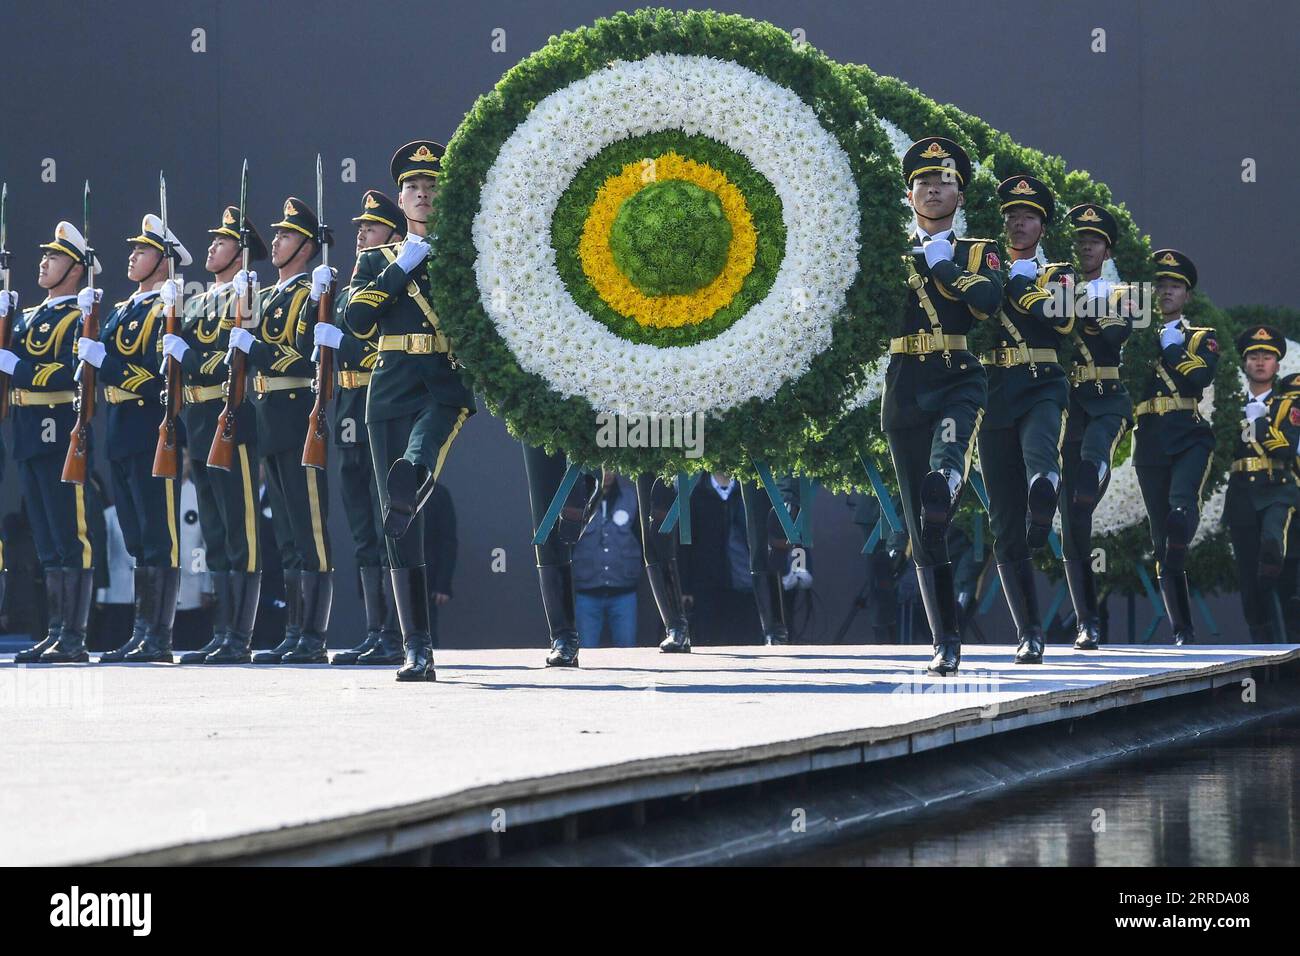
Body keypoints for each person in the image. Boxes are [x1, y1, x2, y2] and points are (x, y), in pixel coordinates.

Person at [342, 141, 475, 681]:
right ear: (401, 199)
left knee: (414, 467)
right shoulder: (376, 258)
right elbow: (357, 320)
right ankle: (415, 647)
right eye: (414, 188)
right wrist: (402, 267)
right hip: (389, 386)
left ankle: (413, 476)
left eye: (431, 188)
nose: (422, 195)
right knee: (399, 526)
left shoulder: (466, 254)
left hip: (442, 384)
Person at [885, 137, 1002, 675]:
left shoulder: (977, 251)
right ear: (910, 195)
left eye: (946, 181)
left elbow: (987, 303)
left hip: (956, 376)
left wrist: (942, 264)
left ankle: (949, 478)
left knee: (944, 466)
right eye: (924, 182)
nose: (934, 189)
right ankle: (945, 641)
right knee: (921, 521)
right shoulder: (885, 251)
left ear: (960, 194)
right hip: (905, 383)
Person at [77, 214, 188, 663]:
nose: (132, 256)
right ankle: (143, 631)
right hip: (120, 430)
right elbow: (91, 358)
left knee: (159, 536)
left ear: (163, 262)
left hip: (151, 428)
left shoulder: (167, 308)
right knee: (136, 537)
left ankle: (158, 637)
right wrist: (87, 323)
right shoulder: (123, 309)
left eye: (142, 251)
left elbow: (155, 375)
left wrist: (105, 361)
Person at [228, 197, 333, 664]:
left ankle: (313, 635)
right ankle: (293, 631)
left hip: (297, 415)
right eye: (276, 235)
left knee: (310, 530)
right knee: (287, 534)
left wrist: (258, 349)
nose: (276, 241)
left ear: (307, 246)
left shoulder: (312, 292)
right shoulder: (267, 296)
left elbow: (307, 356)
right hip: (269, 418)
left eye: (287, 235)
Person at [978, 175, 1073, 664]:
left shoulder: (1057, 272)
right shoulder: (982, 266)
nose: (1018, 223)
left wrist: (1017, 284)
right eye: (1012, 216)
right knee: (1002, 520)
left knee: (1041, 455)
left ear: (1042, 226)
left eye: (1028, 217)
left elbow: (1061, 317)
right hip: (995, 393)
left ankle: (1045, 491)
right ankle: (1029, 632)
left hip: (1041, 381)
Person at [171, 205, 266, 664]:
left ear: (241, 252)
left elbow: (230, 361)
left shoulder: (246, 295)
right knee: (212, 530)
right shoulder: (196, 303)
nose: (211, 247)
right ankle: (222, 631)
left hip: (232, 419)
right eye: (213, 241)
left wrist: (187, 357)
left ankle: (239, 637)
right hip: (199, 419)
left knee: (239, 530)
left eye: (223, 242)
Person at [0, 222, 98, 662]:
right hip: (26, 430)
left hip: (59, 429)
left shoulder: (79, 316)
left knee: (68, 532)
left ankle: (73, 636)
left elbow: (70, 374)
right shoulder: (28, 316)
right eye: (44, 256)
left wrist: (18, 368)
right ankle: (55, 629)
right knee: (45, 537)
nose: (43, 262)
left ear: (75, 268)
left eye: (54, 257)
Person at [324, 190, 404, 666]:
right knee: (361, 529)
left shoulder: (394, 280)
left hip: (380, 398)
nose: (361, 234)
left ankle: (396, 631)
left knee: (384, 519)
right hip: (349, 406)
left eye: (371, 227)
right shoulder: (352, 285)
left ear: (393, 235)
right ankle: (376, 630)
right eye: (360, 227)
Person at [1133, 249, 1219, 645]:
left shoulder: (1201, 338)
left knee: (1181, 508)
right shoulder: (1134, 338)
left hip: (1188, 435)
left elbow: (1198, 377)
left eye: (1175, 286)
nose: (1167, 292)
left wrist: (1171, 347)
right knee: (1161, 539)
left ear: (1187, 295)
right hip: (1149, 440)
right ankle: (1182, 628)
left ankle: (1184, 520)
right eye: (1160, 285)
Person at [1059, 203, 1133, 649]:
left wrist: (1072, 305)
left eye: (1094, 240)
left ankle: (1096, 469)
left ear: (1106, 249)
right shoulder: (1056, 284)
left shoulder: (1126, 293)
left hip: (1107, 397)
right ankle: (1088, 621)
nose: (1085, 246)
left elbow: (1113, 335)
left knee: (1094, 455)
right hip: (1069, 403)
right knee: (1073, 521)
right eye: (1080, 240)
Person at [1225, 325, 1299, 642]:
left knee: (1274, 545)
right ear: (1244, 363)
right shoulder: (1229, 404)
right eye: (1253, 355)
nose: (1259, 362)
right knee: (1248, 578)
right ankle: (1263, 651)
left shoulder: (1288, 404)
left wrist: (1259, 421)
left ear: (1277, 365)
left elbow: (1285, 447)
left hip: (1277, 488)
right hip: (1241, 493)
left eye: (1267, 357)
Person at [680, 472, 762, 646]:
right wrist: (685, 588)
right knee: (708, 642)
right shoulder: (695, 493)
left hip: (743, 582)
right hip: (706, 583)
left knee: (745, 641)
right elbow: (685, 545)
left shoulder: (746, 491)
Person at [572, 472, 640, 648]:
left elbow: (643, 541)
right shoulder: (579, 499)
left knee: (627, 652)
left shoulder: (631, 498)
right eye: (600, 466)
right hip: (587, 593)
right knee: (586, 651)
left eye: (609, 466)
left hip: (624, 593)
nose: (605, 472)